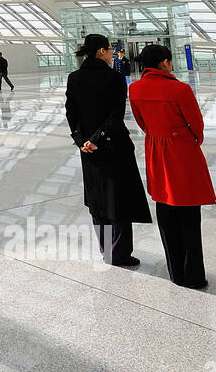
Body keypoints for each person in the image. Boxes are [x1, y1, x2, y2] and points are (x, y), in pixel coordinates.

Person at [129, 44, 215, 289]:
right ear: (164, 62)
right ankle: (194, 275)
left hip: (155, 149)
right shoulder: (180, 89)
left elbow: (141, 122)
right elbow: (196, 126)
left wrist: (157, 135)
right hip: (182, 151)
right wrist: (189, 140)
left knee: (164, 206)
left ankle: (176, 272)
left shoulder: (134, 89)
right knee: (188, 212)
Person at [65, 33, 152, 266]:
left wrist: (82, 141)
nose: (112, 53)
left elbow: (71, 113)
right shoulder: (114, 78)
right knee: (119, 198)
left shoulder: (74, 78)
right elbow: (115, 115)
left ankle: (106, 251)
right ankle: (120, 253)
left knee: (97, 198)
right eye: (110, 49)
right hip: (115, 147)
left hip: (88, 151)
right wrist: (98, 138)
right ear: (101, 51)